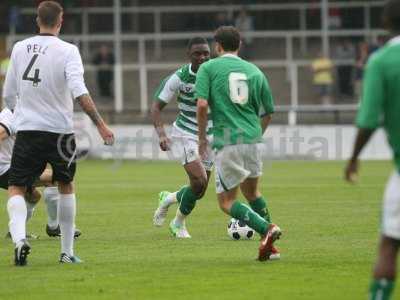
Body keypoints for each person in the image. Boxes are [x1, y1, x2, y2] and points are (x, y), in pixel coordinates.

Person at [2, 1, 114, 266]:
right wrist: (100, 124)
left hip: (28, 129)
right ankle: (66, 252)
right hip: (61, 132)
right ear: (60, 21)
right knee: (66, 185)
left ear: (36, 20)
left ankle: (19, 240)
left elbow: (8, 94)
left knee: (17, 186)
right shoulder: (68, 51)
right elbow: (79, 91)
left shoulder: (18, 48)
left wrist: (20, 115)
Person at [196, 26, 281, 261]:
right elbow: (269, 113)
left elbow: (202, 105)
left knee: (226, 202)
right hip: (253, 139)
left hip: (228, 141)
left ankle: (267, 229)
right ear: (239, 45)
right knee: (252, 193)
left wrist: (202, 138)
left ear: (217, 46)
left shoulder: (209, 68)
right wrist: (254, 135)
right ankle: (271, 248)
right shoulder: (255, 71)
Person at [345, 1, 400, 299]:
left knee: (390, 243)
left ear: (385, 22)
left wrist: (353, 159)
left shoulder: (382, 61)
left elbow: (367, 121)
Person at [151, 37, 213, 238]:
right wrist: (162, 135)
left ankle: (169, 198)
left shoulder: (216, 74)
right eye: (198, 53)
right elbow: (156, 107)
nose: (202, 57)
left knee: (200, 190)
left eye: (206, 53)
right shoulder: (179, 77)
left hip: (210, 135)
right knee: (200, 179)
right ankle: (178, 224)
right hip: (185, 133)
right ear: (189, 55)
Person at [0, 107, 81, 239]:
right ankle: (54, 227)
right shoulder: (10, 116)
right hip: (5, 169)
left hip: (12, 167)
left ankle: (15, 232)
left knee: (34, 196)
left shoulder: (22, 115)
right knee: (55, 179)